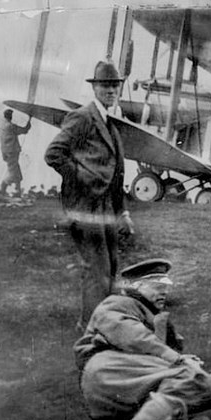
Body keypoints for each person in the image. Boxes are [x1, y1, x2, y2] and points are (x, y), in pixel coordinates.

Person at [74, 259, 211, 420]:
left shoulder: (152, 312)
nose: (164, 292)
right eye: (157, 287)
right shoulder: (117, 303)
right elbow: (134, 337)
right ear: (136, 287)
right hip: (109, 370)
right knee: (194, 381)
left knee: (202, 401)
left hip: (130, 376)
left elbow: (164, 347)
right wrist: (178, 360)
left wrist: (182, 360)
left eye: (165, 287)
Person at [44, 60, 134, 328]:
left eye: (115, 86)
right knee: (96, 270)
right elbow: (53, 154)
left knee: (110, 268)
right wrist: (84, 178)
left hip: (106, 207)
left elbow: (117, 175)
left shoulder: (110, 124)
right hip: (86, 207)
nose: (111, 90)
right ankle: (91, 330)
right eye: (105, 86)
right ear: (94, 88)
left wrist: (123, 212)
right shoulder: (83, 117)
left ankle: (101, 326)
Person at [0, 108, 31, 196]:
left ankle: (18, 190)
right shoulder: (10, 126)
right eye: (11, 115)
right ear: (10, 116)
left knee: (16, 170)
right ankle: (3, 187)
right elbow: (25, 130)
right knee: (13, 171)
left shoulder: (2, 126)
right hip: (12, 152)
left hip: (6, 152)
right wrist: (29, 120)